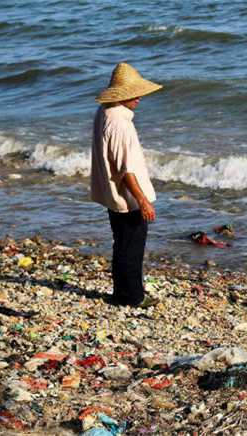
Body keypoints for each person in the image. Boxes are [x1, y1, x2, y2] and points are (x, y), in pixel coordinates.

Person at [90, 62, 162, 307]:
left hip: (113, 195)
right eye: (134, 93)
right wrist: (143, 201)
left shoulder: (104, 112)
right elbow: (126, 169)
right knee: (132, 247)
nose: (139, 98)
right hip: (128, 197)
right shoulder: (121, 123)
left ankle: (122, 293)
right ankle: (132, 297)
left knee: (121, 244)